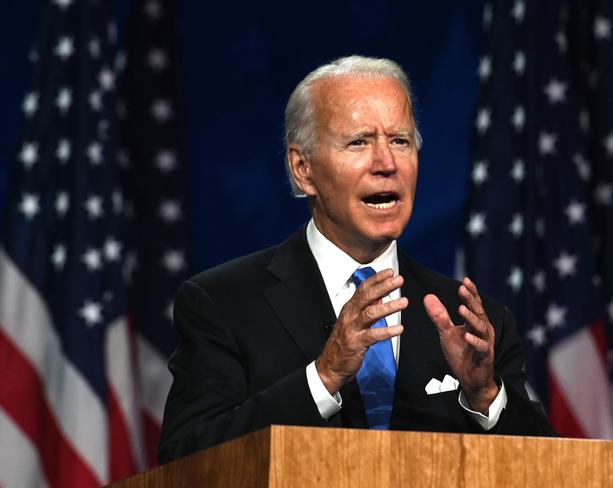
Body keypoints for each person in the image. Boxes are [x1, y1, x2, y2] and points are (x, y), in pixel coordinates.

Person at [158, 55, 555, 463]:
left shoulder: (474, 319)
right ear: (303, 170)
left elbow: (552, 469)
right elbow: (188, 460)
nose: (387, 164)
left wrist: (484, 395)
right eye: (359, 142)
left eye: (400, 140)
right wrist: (324, 377)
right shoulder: (223, 304)